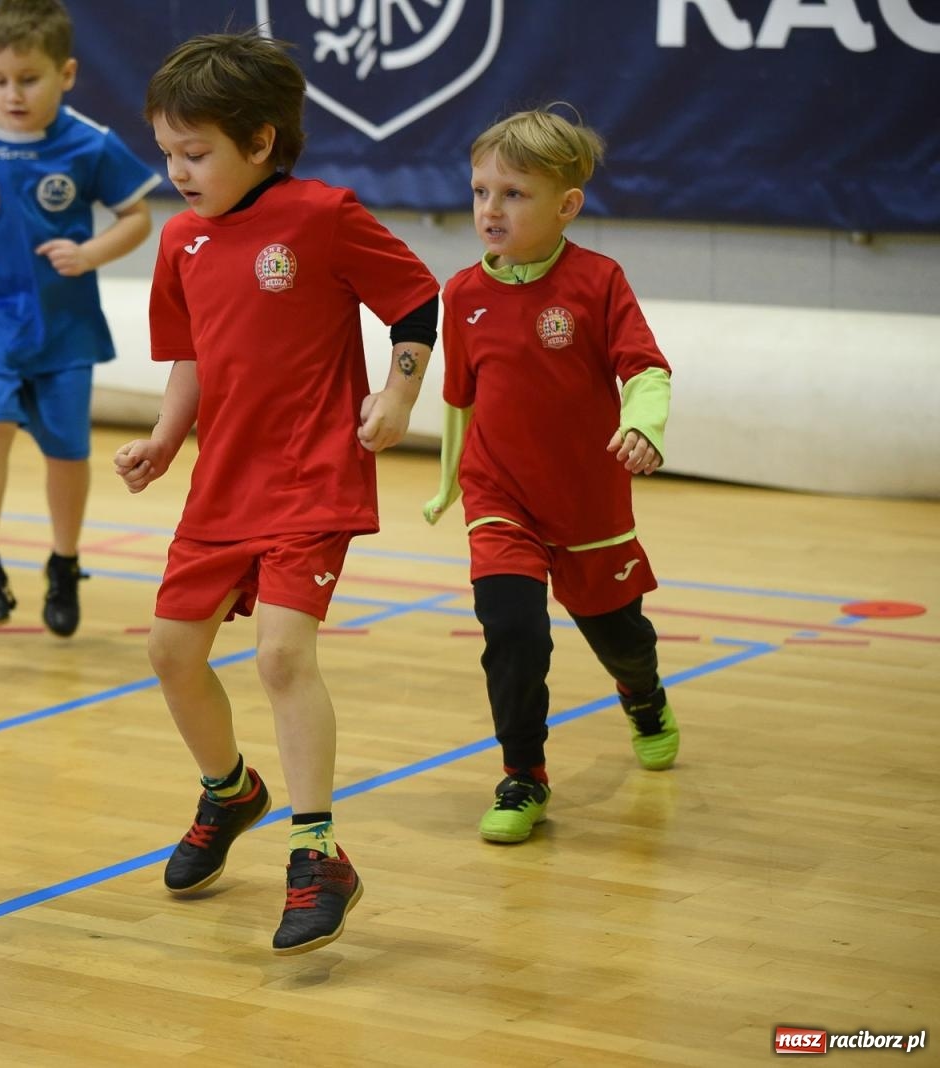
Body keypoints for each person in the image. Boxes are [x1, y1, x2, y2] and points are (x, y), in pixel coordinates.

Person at [115, 32, 440, 955]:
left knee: (282, 660)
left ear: (260, 142)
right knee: (171, 653)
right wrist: (165, 439)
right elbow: (191, 356)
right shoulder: (179, 239)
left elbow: (416, 300)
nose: (177, 173)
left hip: (311, 478)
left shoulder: (322, 216)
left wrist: (398, 394)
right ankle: (230, 792)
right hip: (221, 485)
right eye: (167, 153)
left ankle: (317, 853)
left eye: (195, 153)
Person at [421, 105, 679, 845]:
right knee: (513, 629)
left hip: (587, 502)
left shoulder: (599, 282)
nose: (490, 209)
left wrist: (644, 424)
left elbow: (646, 368)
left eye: (514, 194)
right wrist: (450, 484)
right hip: (499, 496)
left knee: (619, 634)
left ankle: (642, 693)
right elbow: (461, 400)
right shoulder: (461, 294)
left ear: (567, 205)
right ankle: (523, 775)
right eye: (480, 191)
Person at [0, 0, 158, 636]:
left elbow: (137, 217)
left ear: (66, 73)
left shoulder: (89, 143)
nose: (12, 94)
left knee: (67, 450)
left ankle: (65, 562)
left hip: (63, 322)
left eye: (28, 79)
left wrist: (91, 253)